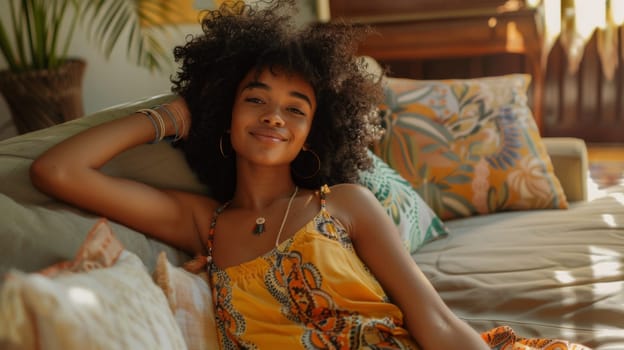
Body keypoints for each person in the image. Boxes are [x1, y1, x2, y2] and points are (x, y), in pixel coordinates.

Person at [28, 1, 586, 349]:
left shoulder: (344, 204)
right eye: (255, 99)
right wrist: (173, 117)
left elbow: (434, 322)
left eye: (296, 108)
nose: (274, 115)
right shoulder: (207, 225)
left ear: (315, 131)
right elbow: (58, 170)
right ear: (227, 112)